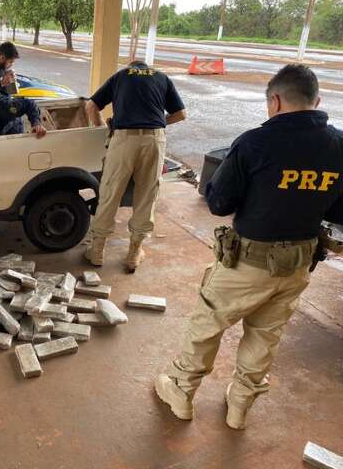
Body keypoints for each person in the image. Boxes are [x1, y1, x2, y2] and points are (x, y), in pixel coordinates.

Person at [155, 64, 343, 430]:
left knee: (208, 324)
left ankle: (181, 391)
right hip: (298, 264)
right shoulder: (339, 145)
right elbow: (339, 211)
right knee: (265, 334)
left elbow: (219, 203)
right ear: (316, 100)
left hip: (248, 263)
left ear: (274, 100)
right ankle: (240, 404)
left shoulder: (255, 142)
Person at [84, 61, 186, 272]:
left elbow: (91, 105)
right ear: (146, 68)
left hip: (123, 138)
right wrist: (158, 121)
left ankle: (97, 251)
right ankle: (134, 253)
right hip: (154, 140)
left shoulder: (120, 76)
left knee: (111, 192)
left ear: (132, 67)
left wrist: (102, 128)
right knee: (147, 195)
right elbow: (181, 114)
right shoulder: (162, 77)